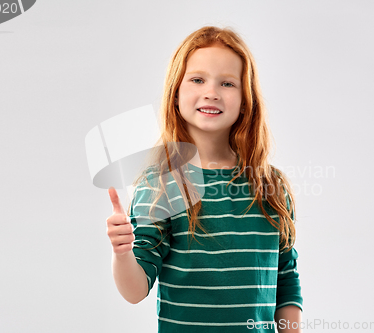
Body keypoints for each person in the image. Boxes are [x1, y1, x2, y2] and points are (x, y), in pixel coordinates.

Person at [106, 26, 303, 332]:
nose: (211, 92)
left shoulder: (270, 186)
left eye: (227, 83)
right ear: (176, 93)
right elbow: (135, 291)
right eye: (197, 79)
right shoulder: (160, 185)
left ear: (245, 101)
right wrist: (123, 253)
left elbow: (286, 281)